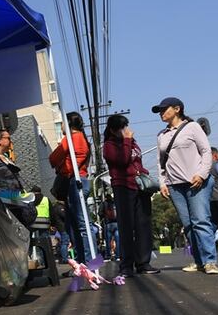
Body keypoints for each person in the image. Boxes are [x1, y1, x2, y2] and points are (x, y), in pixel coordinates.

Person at [154, 97, 218, 274]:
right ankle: (198, 261)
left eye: (164, 109)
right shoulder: (161, 135)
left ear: (177, 109)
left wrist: (202, 174)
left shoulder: (192, 127)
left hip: (196, 182)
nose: (161, 113)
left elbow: (206, 151)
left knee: (201, 220)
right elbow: (161, 162)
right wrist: (163, 183)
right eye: (159, 110)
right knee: (188, 224)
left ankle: (210, 261)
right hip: (174, 185)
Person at [102, 114, 158, 275]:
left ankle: (143, 263)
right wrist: (126, 141)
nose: (125, 130)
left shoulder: (133, 143)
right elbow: (122, 160)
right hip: (123, 187)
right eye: (121, 127)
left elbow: (136, 162)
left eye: (125, 126)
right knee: (126, 227)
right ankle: (126, 265)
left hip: (140, 187)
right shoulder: (109, 145)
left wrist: (144, 174)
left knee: (143, 225)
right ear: (113, 130)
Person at [49, 112, 93, 262]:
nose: (61, 126)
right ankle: (84, 260)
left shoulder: (72, 138)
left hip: (75, 182)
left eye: (62, 123)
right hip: (77, 181)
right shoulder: (80, 138)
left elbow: (53, 158)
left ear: (67, 124)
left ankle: (87, 260)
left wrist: (61, 162)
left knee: (81, 225)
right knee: (75, 225)